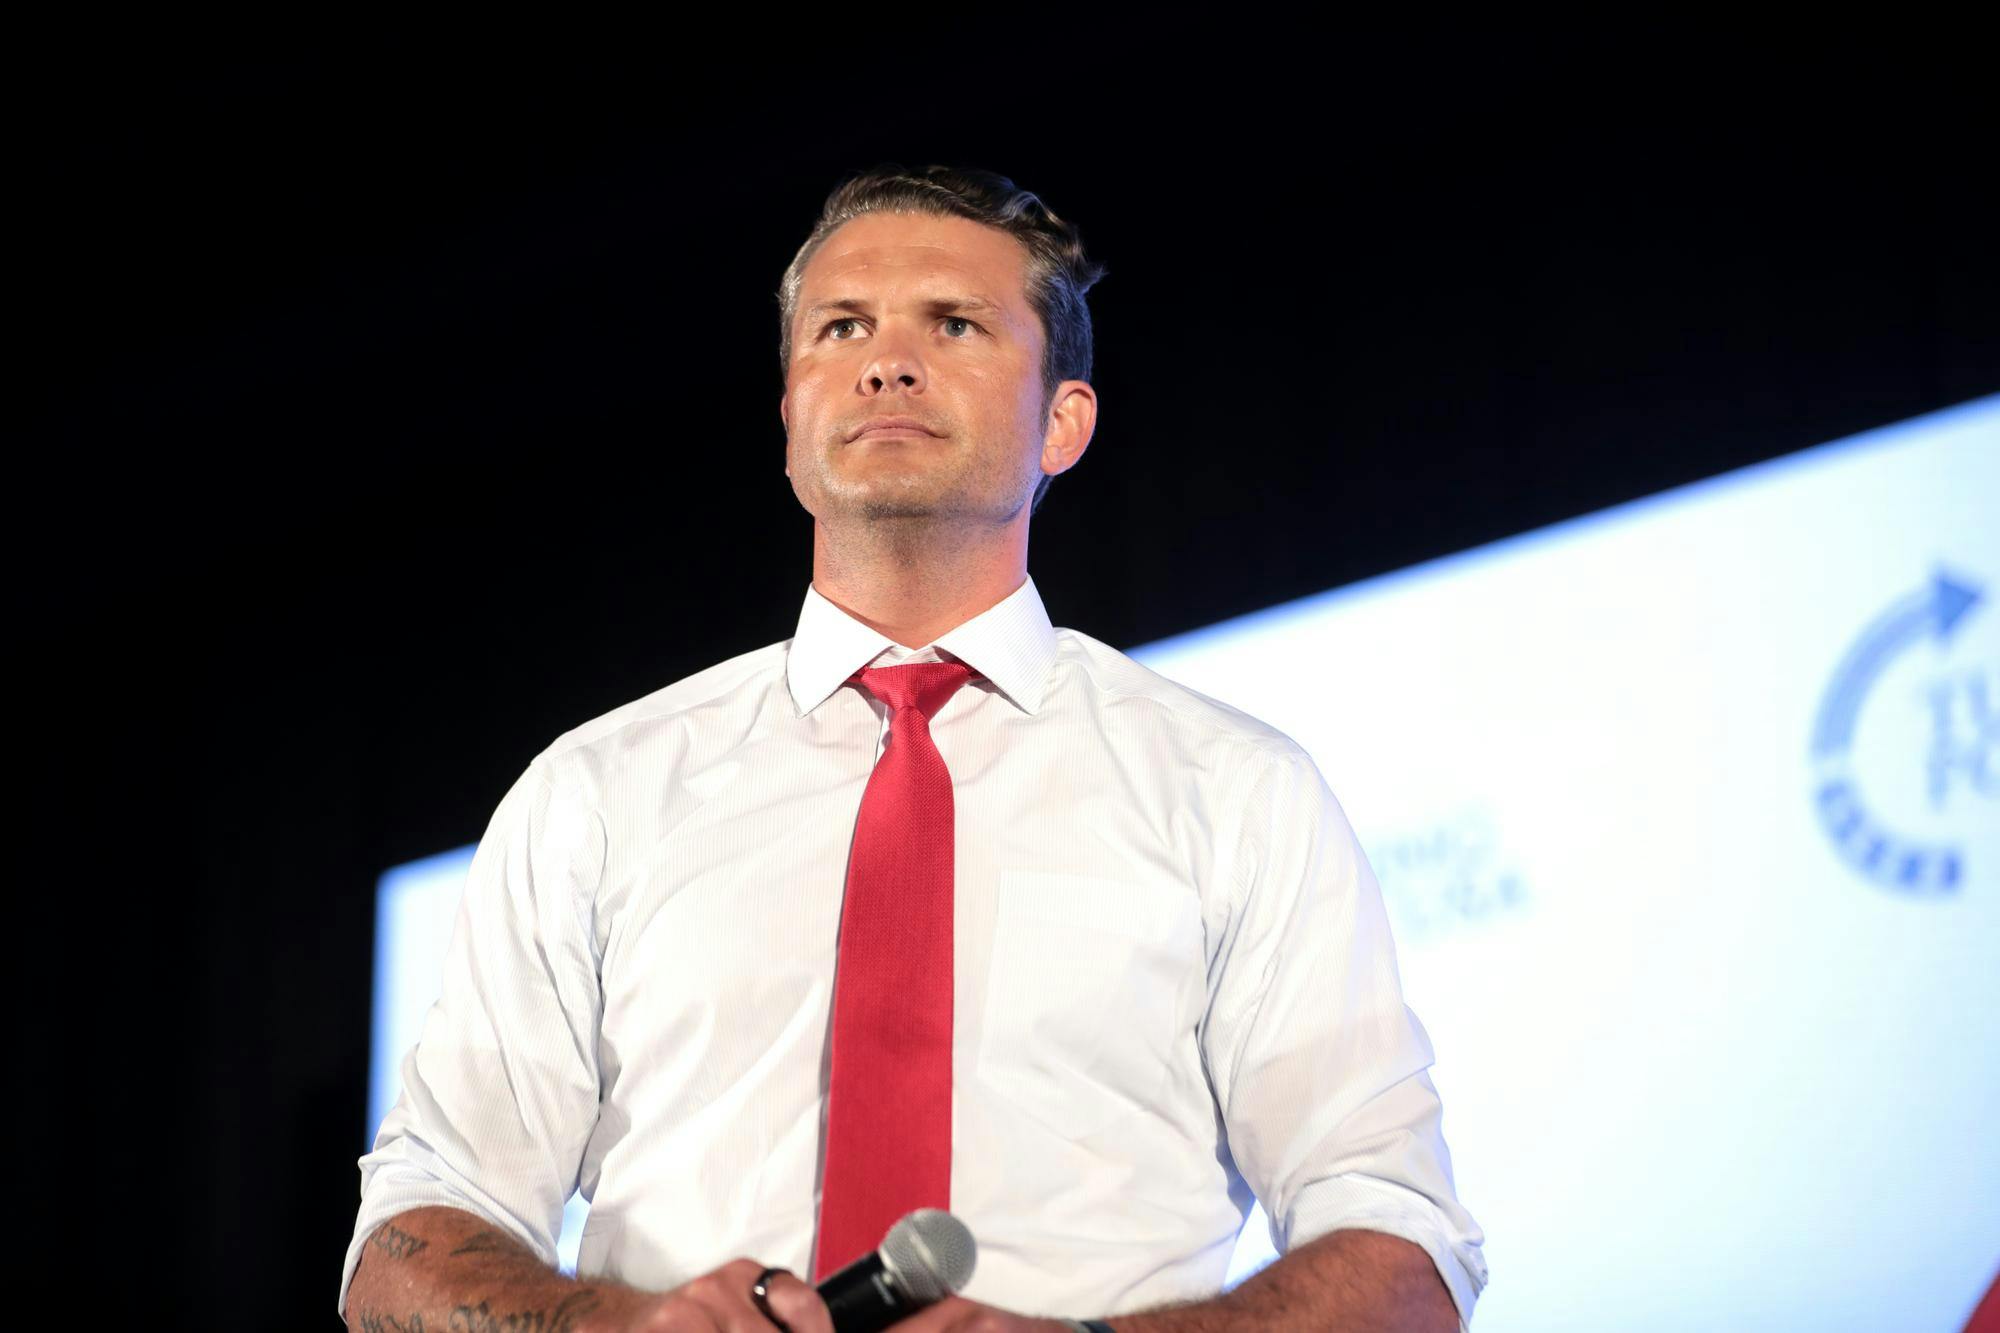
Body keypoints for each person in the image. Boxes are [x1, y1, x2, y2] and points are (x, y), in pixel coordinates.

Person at [339, 164, 1488, 1333]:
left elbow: (1403, 1249)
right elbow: (408, 1240)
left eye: (953, 323)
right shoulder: (592, 796)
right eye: (842, 328)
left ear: (1062, 421)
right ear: (789, 416)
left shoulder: (1236, 792)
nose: (886, 361)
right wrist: (609, 1325)